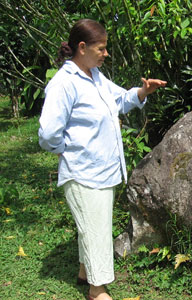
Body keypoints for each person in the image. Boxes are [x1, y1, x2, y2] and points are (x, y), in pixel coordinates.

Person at [38, 19, 166, 300]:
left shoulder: (94, 76)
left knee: (95, 222)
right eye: (102, 48)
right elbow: (48, 133)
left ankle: (86, 271)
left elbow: (119, 99)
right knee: (95, 229)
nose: (106, 54)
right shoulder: (64, 83)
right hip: (82, 170)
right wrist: (65, 149)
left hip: (102, 168)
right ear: (82, 48)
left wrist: (143, 92)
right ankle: (98, 290)